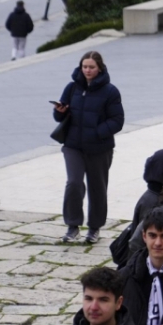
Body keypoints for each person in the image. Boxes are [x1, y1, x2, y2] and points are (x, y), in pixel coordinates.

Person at [55, 51, 124, 244]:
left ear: (99, 68)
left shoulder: (110, 91)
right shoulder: (71, 88)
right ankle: (72, 225)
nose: (87, 70)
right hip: (73, 146)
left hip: (99, 148)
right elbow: (60, 118)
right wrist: (59, 112)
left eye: (91, 67)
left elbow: (117, 120)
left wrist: (97, 132)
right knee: (74, 183)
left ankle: (94, 228)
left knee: (97, 188)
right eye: (84, 66)